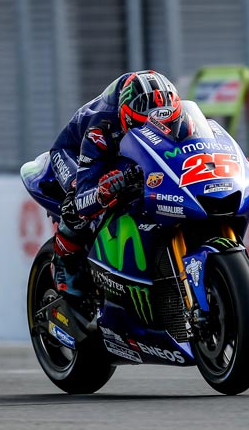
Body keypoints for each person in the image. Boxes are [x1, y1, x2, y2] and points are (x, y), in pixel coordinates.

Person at [49, 70, 182, 304]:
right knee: (76, 203)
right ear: (127, 118)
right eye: (143, 127)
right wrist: (101, 192)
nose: (154, 134)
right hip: (72, 152)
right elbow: (83, 199)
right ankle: (64, 264)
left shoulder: (176, 112)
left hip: (121, 151)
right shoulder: (100, 129)